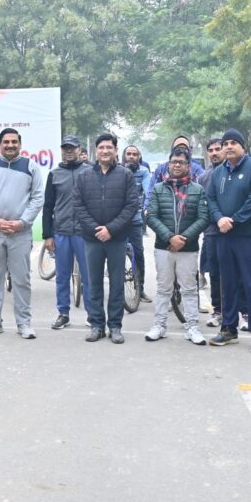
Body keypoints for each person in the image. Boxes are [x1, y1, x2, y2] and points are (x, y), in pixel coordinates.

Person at [0, 127, 45, 339]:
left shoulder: (30, 166)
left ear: (20, 144)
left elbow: (38, 197)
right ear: (0, 145)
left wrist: (22, 222)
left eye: (14, 142)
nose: (10, 145)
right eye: (6, 142)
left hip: (20, 233)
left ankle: (24, 323)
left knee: (21, 279)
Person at [74, 133, 140, 344]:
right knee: (93, 283)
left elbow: (132, 205)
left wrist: (110, 229)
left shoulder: (125, 175)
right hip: (92, 239)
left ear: (115, 150)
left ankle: (115, 326)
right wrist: (96, 229)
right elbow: (78, 205)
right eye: (101, 147)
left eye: (109, 147)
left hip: (116, 239)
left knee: (117, 283)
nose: (105, 151)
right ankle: (96, 325)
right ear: (96, 150)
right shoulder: (84, 176)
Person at [206, 128, 251, 352]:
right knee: (227, 283)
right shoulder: (218, 172)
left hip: (248, 236)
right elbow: (210, 199)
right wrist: (219, 218)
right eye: (226, 144)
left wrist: (234, 219)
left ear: (243, 146)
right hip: (223, 236)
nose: (229, 147)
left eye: (234, 143)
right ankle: (228, 329)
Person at [145, 146, 209, 344]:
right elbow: (151, 216)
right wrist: (170, 237)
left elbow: (203, 218)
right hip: (163, 247)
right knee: (163, 288)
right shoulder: (158, 188)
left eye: (181, 162)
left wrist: (183, 239)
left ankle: (192, 327)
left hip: (188, 248)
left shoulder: (198, 189)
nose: (177, 165)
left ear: (188, 166)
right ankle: (159, 325)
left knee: (189, 289)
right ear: (168, 165)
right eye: (174, 162)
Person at [42, 135, 93, 329]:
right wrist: (47, 235)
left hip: (84, 233)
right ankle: (63, 313)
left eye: (72, 148)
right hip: (61, 232)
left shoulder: (90, 171)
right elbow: (48, 206)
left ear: (80, 149)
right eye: (65, 148)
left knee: (89, 276)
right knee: (62, 276)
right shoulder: (54, 174)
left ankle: (92, 314)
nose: (69, 151)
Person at [197, 138, 227, 328]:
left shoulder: (234, 172)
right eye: (211, 150)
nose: (214, 153)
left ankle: (245, 313)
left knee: (237, 275)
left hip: (234, 230)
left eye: (218, 149)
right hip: (211, 232)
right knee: (215, 275)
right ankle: (218, 311)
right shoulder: (203, 178)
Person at [122, 144, 151, 302]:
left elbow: (148, 191)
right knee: (114, 254)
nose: (132, 156)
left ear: (139, 157)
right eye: (129, 154)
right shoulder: (117, 170)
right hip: (117, 221)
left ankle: (141, 288)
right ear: (124, 156)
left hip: (135, 219)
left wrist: (147, 207)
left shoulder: (144, 172)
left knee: (138, 254)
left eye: (135, 154)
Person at [144, 135, 204, 209]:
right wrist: (147, 209)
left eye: (184, 148)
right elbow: (151, 192)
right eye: (178, 148)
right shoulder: (161, 169)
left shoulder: (196, 169)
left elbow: (202, 194)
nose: (181, 151)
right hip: (164, 208)